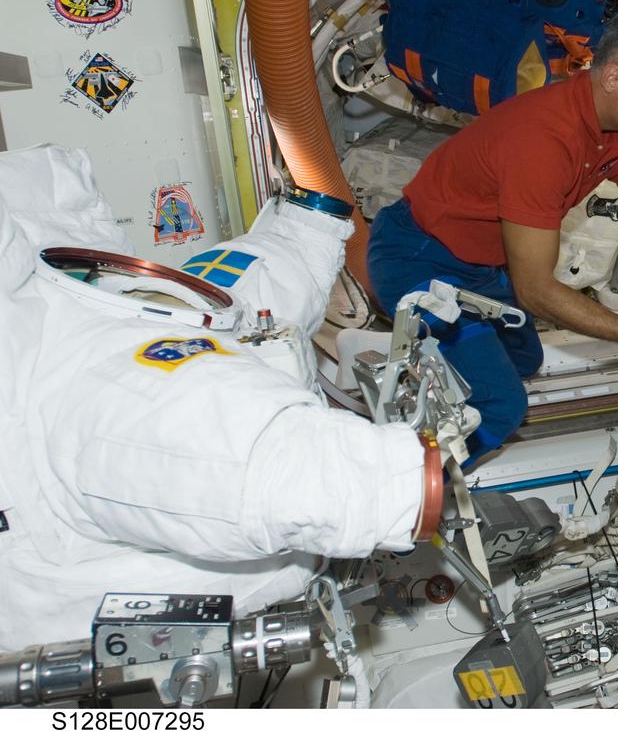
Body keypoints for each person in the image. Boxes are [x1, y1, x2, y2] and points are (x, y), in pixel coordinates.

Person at [0, 144, 440, 652]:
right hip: (110, 584)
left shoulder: (85, 318)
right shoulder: (116, 392)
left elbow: (247, 304)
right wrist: (399, 485)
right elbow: (256, 458)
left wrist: (307, 228)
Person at [367, 8, 618, 460]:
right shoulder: (543, 142)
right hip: (418, 256)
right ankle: (400, 487)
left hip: (477, 270)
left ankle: (438, 360)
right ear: (613, 77)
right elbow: (536, 291)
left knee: (526, 360)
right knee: (501, 405)